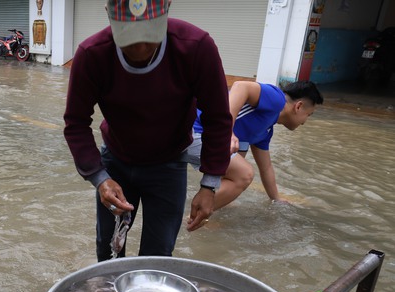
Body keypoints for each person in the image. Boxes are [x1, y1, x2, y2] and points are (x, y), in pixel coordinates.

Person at [63, 0, 232, 261]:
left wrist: (209, 185)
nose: (140, 48)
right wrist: (99, 178)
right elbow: (75, 122)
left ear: (167, 11)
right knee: (109, 250)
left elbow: (218, 119)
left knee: (159, 254)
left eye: (149, 35)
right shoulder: (92, 54)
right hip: (115, 161)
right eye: (129, 38)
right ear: (109, 16)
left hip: (169, 163)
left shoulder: (196, 47)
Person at [188, 80, 324, 210]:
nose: (305, 122)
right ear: (298, 106)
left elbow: (266, 168)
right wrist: (227, 131)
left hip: (203, 138)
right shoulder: (277, 100)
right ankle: (195, 217)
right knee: (244, 174)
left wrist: (276, 199)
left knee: (235, 176)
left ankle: (202, 215)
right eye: (308, 115)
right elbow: (241, 86)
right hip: (193, 129)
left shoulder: (265, 131)